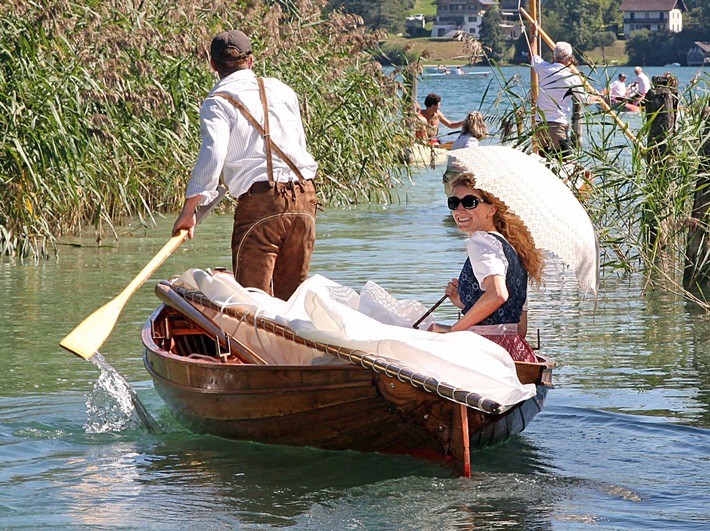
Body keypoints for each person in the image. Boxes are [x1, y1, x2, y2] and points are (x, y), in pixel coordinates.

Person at [172, 29, 319, 301]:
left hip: (263, 205)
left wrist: (189, 209)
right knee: (293, 301)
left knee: (252, 302)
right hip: (305, 198)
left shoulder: (217, 102)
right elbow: (298, 142)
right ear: (251, 61)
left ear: (213, 65)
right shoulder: (283, 90)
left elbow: (213, 154)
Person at [429, 173, 545, 363]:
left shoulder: (480, 241)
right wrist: (464, 302)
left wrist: (453, 330)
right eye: (453, 203)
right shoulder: (515, 250)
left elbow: (498, 294)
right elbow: (519, 328)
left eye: (469, 202)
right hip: (513, 351)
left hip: (482, 353)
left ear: (491, 210)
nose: (459, 209)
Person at [531, 41, 598, 159]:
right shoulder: (572, 78)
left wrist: (534, 36)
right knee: (567, 162)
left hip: (540, 125)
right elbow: (586, 101)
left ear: (553, 57)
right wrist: (598, 97)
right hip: (557, 124)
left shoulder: (543, 68)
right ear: (569, 58)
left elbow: (532, 54)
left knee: (545, 161)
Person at [442, 112, 488, 195]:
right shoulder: (472, 140)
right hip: (459, 177)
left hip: (449, 174)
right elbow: (468, 154)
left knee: (454, 203)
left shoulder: (460, 138)